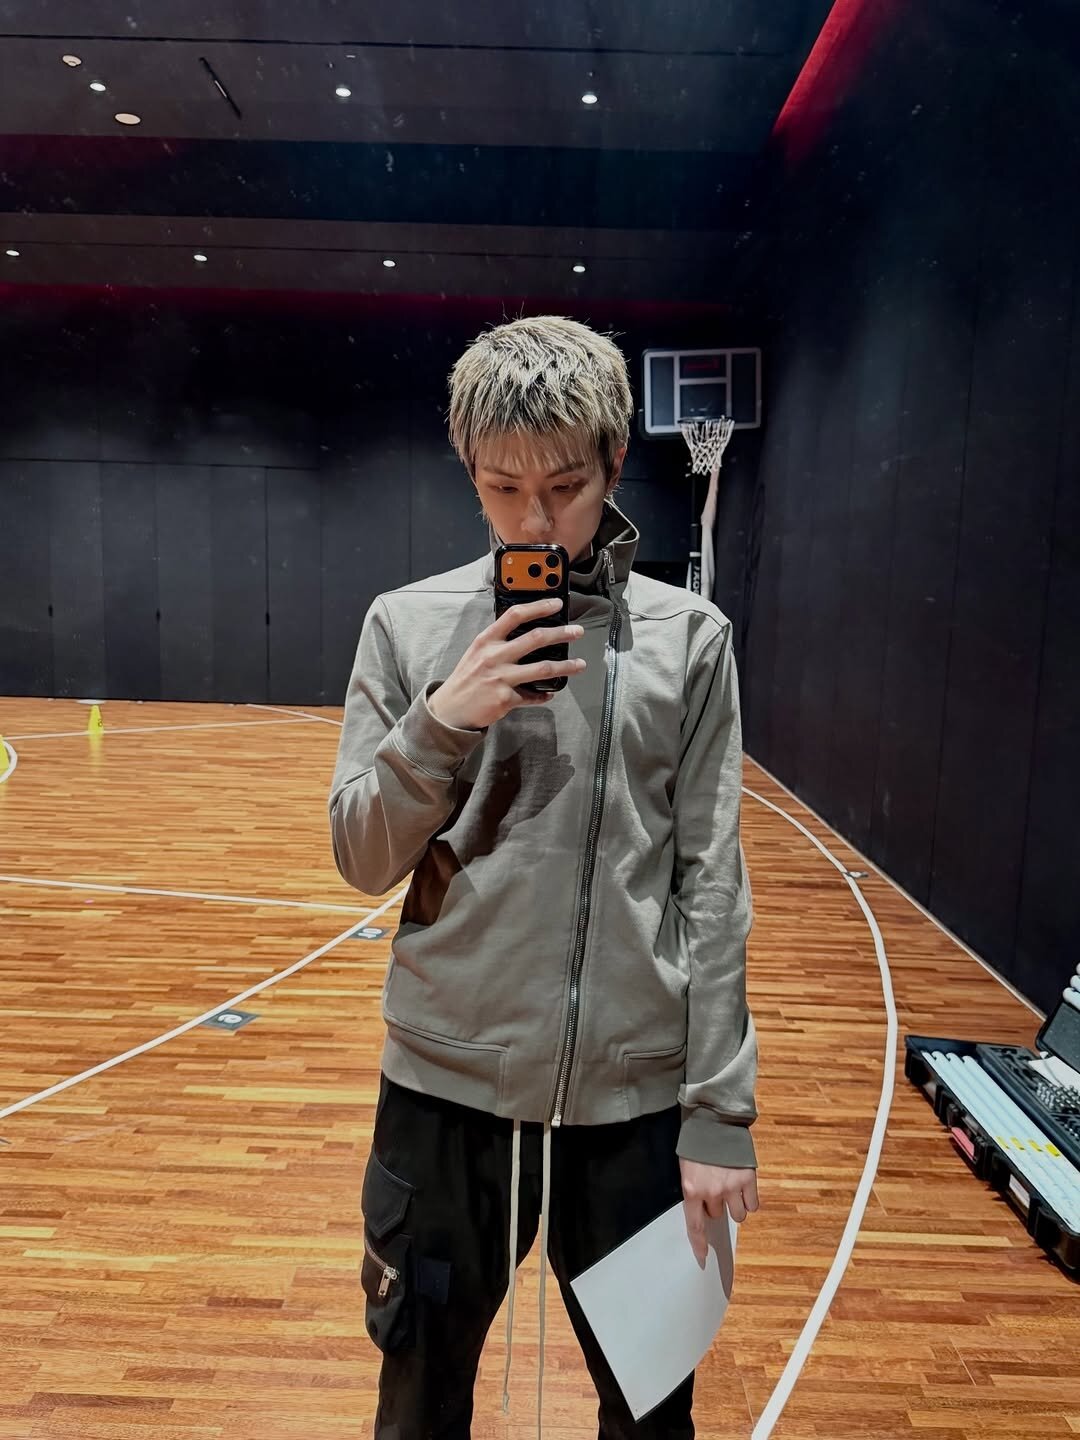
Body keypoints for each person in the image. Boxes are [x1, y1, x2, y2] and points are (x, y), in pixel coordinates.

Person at [329, 315, 759, 1440]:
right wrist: (443, 721)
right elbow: (361, 856)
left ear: (613, 465)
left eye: (564, 489)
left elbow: (712, 883)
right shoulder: (406, 626)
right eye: (502, 489)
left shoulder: (691, 641)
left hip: (635, 1110)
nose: (535, 522)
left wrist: (720, 1111)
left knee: (652, 1416)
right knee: (417, 1413)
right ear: (467, 471)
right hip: (442, 1101)